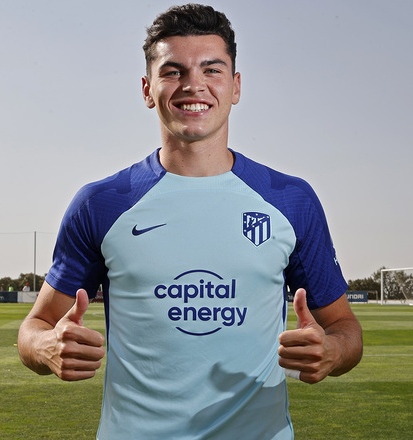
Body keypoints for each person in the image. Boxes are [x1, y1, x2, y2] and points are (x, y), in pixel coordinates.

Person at [18, 4, 362, 439]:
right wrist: (46, 346)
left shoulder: (291, 200)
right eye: (173, 71)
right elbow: (35, 327)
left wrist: (332, 350)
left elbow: (345, 329)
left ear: (236, 86)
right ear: (148, 89)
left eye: (211, 70)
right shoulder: (100, 204)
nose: (193, 85)